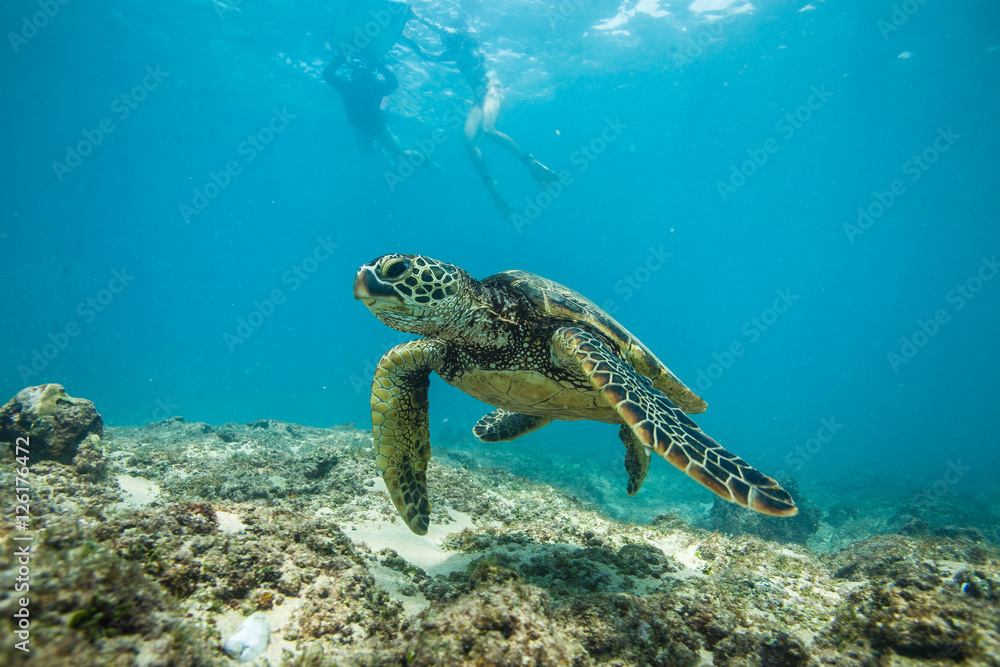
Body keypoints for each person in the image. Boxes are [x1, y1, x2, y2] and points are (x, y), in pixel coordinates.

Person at [404, 15, 558, 218]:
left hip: (493, 88)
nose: (444, 38)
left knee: (488, 130)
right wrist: (405, 38)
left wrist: (415, 16)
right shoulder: (453, 52)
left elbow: (442, 29)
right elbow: (427, 56)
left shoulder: (468, 40)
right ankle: (494, 193)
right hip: (478, 99)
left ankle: (529, 161)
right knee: (467, 142)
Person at [323, 57, 418, 165]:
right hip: (367, 130)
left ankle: (426, 162)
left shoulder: (348, 87)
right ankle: (379, 149)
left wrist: (342, 57)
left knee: (399, 155)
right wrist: (378, 64)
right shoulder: (368, 87)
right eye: (359, 71)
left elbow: (327, 75)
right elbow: (393, 83)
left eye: (364, 71)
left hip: (376, 129)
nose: (361, 72)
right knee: (367, 153)